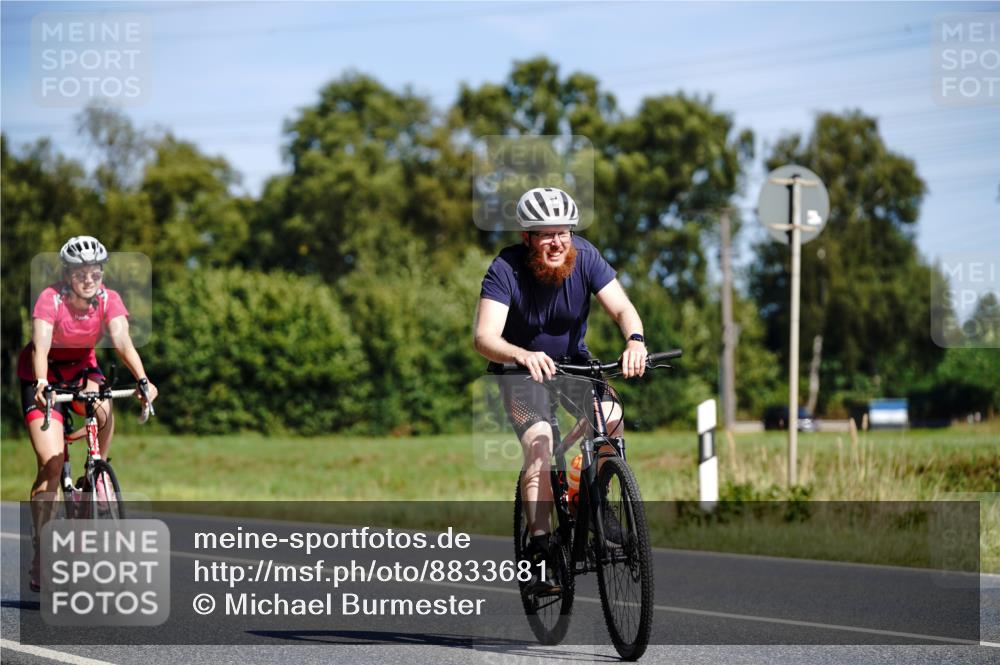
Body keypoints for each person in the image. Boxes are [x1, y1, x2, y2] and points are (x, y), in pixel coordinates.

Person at [473, 187, 648, 595]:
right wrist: (521, 354)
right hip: (519, 371)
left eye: (563, 233)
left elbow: (622, 307)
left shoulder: (585, 256)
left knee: (612, 418)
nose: (556, 242)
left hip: (572, 362)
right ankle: (538, 550)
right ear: (527, 238)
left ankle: (599, 500)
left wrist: (635, 340)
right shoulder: (505, 269)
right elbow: (483, 337)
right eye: (545, 234)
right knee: (540, 442)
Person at [18, 235, 158, 591]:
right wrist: (39, 382)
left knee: (104, 401)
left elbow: (123, 341)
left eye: (95, 271)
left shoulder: (108, 299)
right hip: (44, 377)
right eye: (82, 272)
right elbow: (42, 345)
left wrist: (143, 380)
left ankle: (96, 473)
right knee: (51, 461)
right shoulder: (51, 299)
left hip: (82, 371)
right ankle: (42, 550)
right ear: (67, 273)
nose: (90, 278)